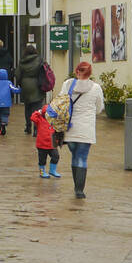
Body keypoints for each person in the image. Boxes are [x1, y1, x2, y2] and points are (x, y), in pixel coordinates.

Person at [61, 60, 105, 199]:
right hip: (86, 130)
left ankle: (76, 186)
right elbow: (99, 109)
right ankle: (79, 190)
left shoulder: (68, 84)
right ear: (90, 73)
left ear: (76, 71)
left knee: (75, 156)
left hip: (70, 129)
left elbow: (60, 103)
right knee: (81, 158)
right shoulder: (96, 88)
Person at [17, 44, 46, 134]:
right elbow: (45, 71)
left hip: (26, 86)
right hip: (37, 85)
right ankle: (36, 129)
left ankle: (28, 127)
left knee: (27, 108)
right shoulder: (40, 60)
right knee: (37, 108)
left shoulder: (22, 61)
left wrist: (20, 83)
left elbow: (18, 74)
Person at [29, 104, 62, 179]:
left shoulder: (54, 120)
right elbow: (32, 118)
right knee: (42, 161)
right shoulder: (39, 119)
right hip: (41, 145)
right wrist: (38, 112)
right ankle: (42, 172)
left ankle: (52, 170)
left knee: (56, 157)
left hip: (52, 144)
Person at [0, 67, 20, 136]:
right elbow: (14, 89)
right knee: (5, 114)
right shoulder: (8, 83)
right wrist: (20, 89)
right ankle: (4, 123)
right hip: (6, 103)